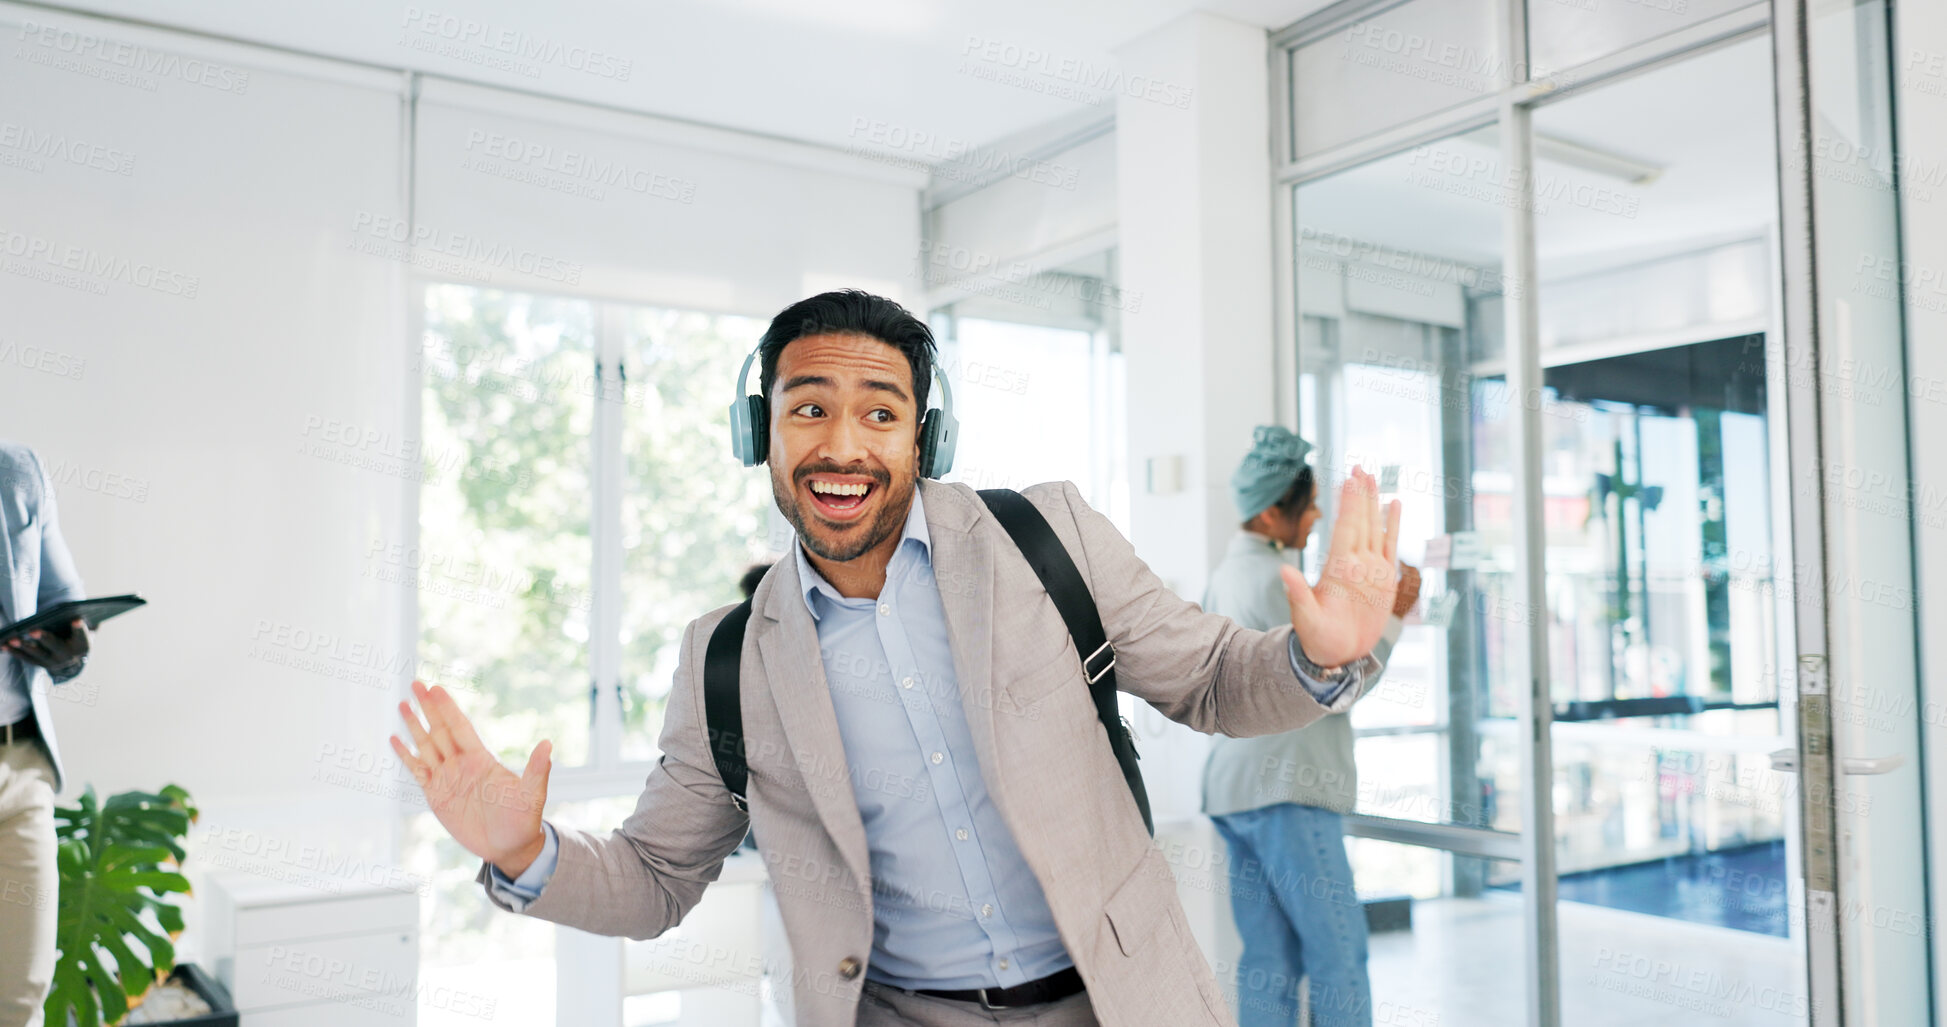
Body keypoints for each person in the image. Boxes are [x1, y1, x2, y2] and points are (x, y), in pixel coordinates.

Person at [391, 291, 1403, 1027]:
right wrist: (525, 854)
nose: (843, 445)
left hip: (1119, 1003)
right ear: (761, 433)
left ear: (926, 435)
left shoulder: (1048, 540)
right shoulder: (728, 659)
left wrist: (1315, 657)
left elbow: (1217, 678)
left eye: (880, 412)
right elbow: (657, 878)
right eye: (807, 409)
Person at [1201, 427, 1421, 1027]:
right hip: (1286, 792)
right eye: (1309, 503)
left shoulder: (1229, 574)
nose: (1320, 512)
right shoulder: (1278, 582)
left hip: (1235, 790)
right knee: (1338, 954)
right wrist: (1394, 618)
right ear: (1273, 512)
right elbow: (1332, 687)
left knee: (1269, 960)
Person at [0, 443, 93, 1027]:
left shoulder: (18, 472)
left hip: (20, 768)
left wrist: (68, 647)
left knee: (21, 1003)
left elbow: (64, 603)